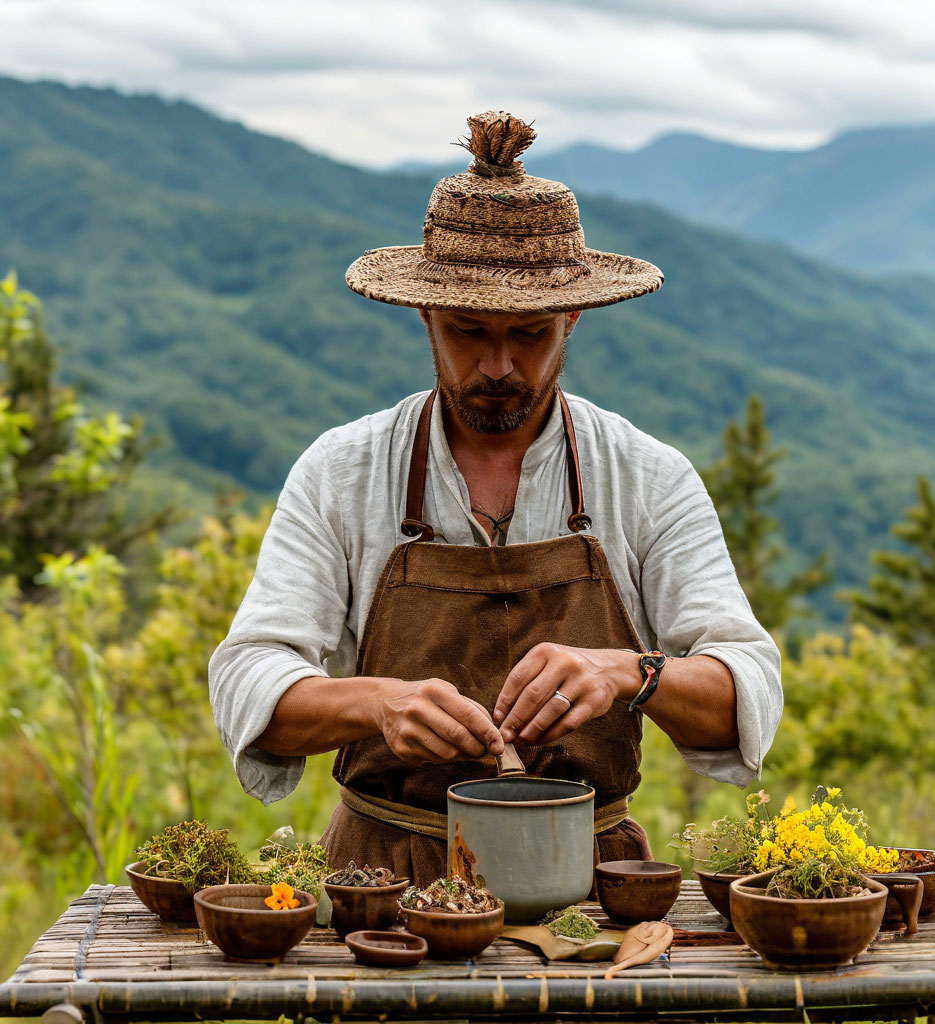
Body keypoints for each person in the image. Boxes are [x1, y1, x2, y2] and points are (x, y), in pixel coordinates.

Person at [209, 111, 782, 884]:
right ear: (424, 315)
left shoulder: (648, 476)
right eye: (469, 331)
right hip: (381, 888)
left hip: (587, 884)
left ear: (574, 317)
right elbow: (250, 680)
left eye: (531, 334)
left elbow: (745, 686)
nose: (500, 365)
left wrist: (629, 672)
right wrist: (377, 703)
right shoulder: (341, 471)